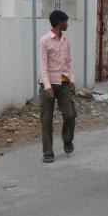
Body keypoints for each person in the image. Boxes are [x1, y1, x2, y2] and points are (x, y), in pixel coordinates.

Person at [38, 10, 76, 163]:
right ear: (60, 23)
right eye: (65, 22)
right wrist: (47, 86)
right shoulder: (44, 41)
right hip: (48, 84)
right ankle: (48, 153)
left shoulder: (66, 41)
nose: (67, 24)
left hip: (64, 83)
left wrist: (71, 80)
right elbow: (43, 65)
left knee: (70, 114)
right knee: (46, 120)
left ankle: (67, 139)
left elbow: (68, 63)